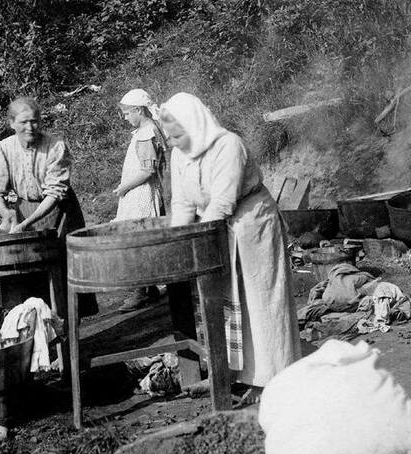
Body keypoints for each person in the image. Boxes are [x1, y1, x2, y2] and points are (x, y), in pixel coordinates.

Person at [159, 92, 301, 402]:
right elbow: (183, 202)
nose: (172, 142)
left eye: (177, 135)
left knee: (261, 302)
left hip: (252, 225)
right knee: (228, 302)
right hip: (218, 229)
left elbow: (222, 202)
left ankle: (273, 379)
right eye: (169, 137)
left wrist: (199, 240)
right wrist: (177, 244)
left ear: (194, 125)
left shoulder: (227, 145)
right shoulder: (180, 153)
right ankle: (235, 374)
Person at [0, 96, 97, 315]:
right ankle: (34, 327)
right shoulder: (3, 149)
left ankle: (68, 330)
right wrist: (7, 214)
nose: (30, 127)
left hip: (59, 210)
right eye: (24, 122)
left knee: (64, 268)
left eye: (35, 121)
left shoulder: (55, 146)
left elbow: (54, 193)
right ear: (11, 123)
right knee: (24, 269)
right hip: (22, 208)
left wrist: (26, 222)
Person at [113, 88, 169, 311]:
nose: (125, 117)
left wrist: (124, 187)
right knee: (140, 239)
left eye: (127, 113)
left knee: (136, 241)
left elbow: (148, 170)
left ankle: (139, 292)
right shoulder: (146, 130)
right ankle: (150, 288)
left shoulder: (147, 132)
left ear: (138, 110)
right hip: (139, 191)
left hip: (142, 192)